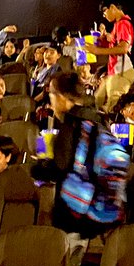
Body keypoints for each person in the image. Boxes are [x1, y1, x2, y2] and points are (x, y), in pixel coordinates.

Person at [31, 71, 115, 252]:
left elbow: (60, 167)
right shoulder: (100, 119)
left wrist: (39, 166)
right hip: (101, 213)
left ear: (61, 97)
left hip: (75, 215)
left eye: (51, 95)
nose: (51, 101)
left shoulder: (71, 124)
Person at [94, 0, 134, 112]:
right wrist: (102, 40)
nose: (104, 15)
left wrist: (97, 51)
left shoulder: (123, 24)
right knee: (97, 102)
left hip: (122, 71)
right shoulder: (117, 25)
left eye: (104, 11)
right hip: (115, 72)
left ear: (112, 7)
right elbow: (114, 47)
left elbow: (123, 49)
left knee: (112, 108)